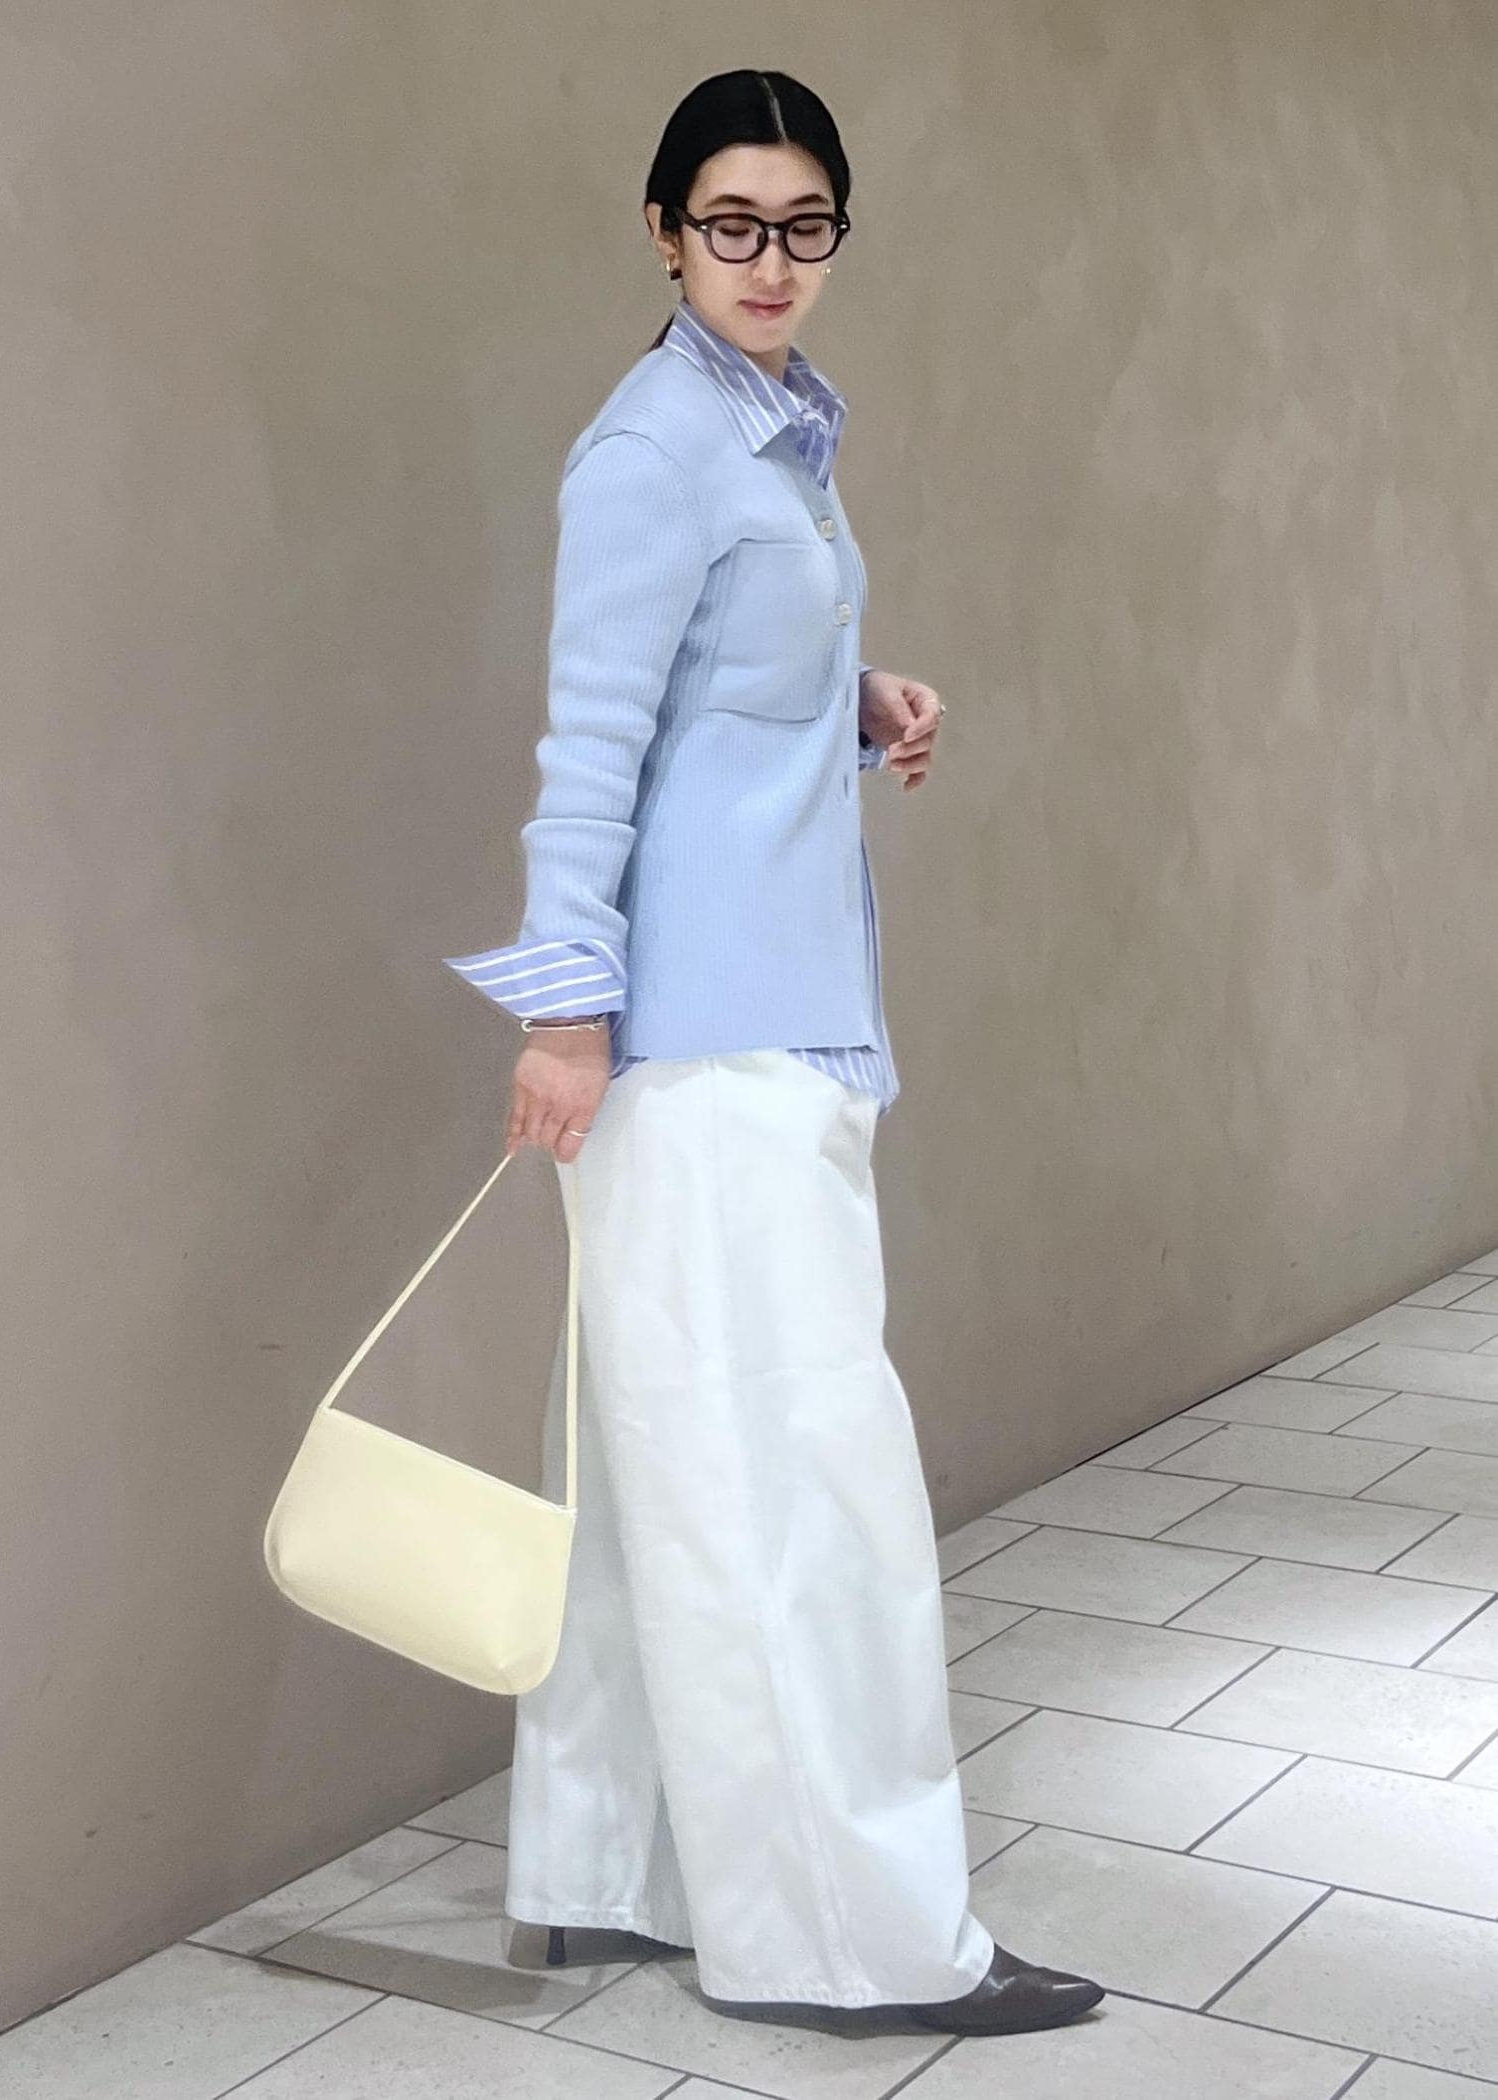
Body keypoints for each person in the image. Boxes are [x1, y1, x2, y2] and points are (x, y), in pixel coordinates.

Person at [441, 67, 1105, 2037]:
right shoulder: (656, 446)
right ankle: (849, 1945)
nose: (771, 258)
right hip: (709, 1053)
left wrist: (852, 696)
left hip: (759, 1023)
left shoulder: (781, 430)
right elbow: (587, 751)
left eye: (805, 224)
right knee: (800, 1497)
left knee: (671, 1473)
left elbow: (713, 690)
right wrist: (566, 1014)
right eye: (732, 222)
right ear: (664, 234)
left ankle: (611, 1877)